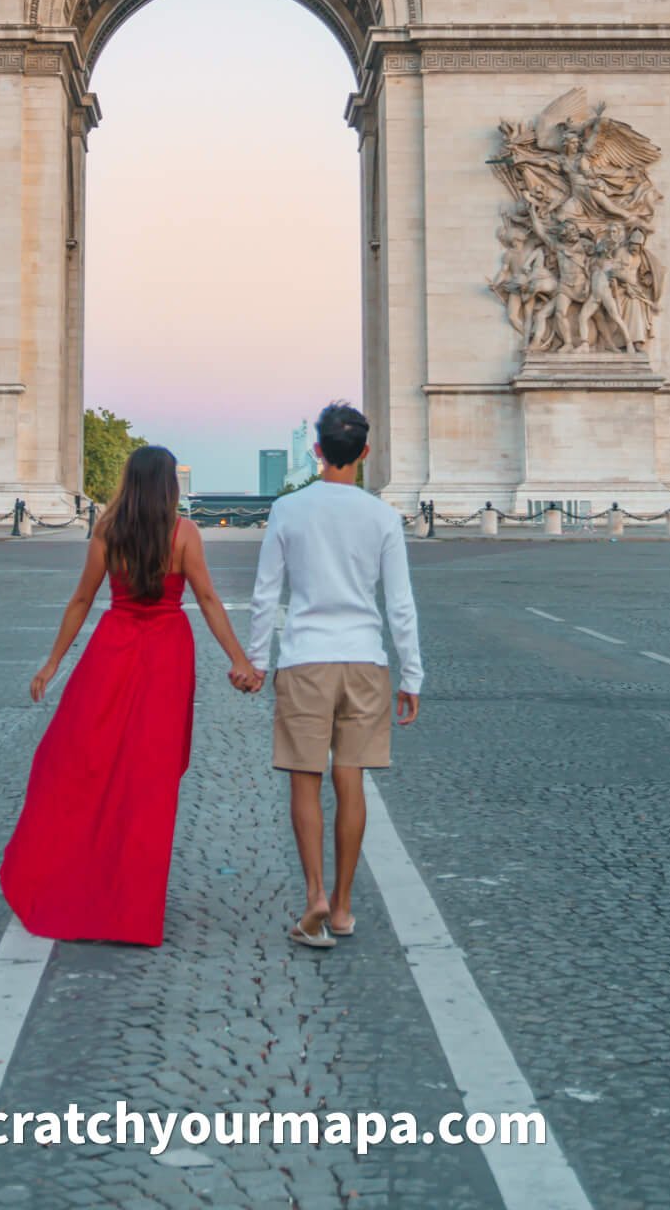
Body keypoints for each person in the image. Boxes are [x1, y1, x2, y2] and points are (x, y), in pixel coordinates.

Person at [0, 445, 261, 946]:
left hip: (113, 647)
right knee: (150, 779)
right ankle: (132, 906)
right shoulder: (184, 534)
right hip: (167, 651)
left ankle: (70, 875)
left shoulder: (107, 530)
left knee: (81, 764)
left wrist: (54, 661)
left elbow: (82, 598)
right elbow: (207, 599)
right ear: (170, 485)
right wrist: (239, 659)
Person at [247, 402, 423, 950]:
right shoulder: (383, 517)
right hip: (365, 661)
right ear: (365, 454)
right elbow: (400, 604)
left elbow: (264, 593)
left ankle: (315, 896)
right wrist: (411, 675)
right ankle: (344, 908)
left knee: (306, 782)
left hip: (305, 659)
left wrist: (256, 661)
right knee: (352, 783)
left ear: (317, 450)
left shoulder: (288, 510)